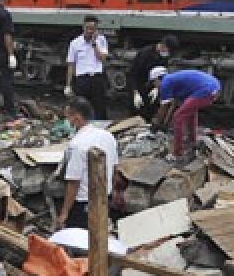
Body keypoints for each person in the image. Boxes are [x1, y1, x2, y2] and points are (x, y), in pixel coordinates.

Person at [56, 97, 119, 231]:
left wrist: (64, 212)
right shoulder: (108, 136)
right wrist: (112, 192)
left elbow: (73, 182)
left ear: (77, 118)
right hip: (104, 198)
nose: (67, 122)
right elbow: (114, 168)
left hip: (84, 202)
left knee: (80, 241)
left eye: (68, 118)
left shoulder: (77, 144)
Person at [149, 67, 221, 162]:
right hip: (214, 86)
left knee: (178, 117)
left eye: (153, 82)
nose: (154, 86)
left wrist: (156, 123)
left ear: (158, 79)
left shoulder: (165, 83)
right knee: (190, 112)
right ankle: (192, 142)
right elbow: (173, 105)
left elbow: (164, 107)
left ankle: (177, 153)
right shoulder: (172, 80)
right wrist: (165, 123)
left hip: (206, 89)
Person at [64, 15, 110, 120]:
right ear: (83, 27)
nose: (90, 31)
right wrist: (68, 85)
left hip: (97, 78)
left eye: (93, 29)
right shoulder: (75, 43)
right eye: (88, 28)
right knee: (81, 107)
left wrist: (94, 44)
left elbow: (102, 59)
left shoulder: (101, 40)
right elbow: (71, 64)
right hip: (82, 79)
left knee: (100, 107)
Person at [131, 34, 178, 119]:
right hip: (139, 84)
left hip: (152, 87)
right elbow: (133, 73)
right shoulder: (145, 53)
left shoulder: (164, 56)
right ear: (163, 46)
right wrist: (135, 92)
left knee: (151, 110)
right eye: (168, 50)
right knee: (137, 111)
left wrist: (156, 88)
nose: (168, 53)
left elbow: (163, 73)